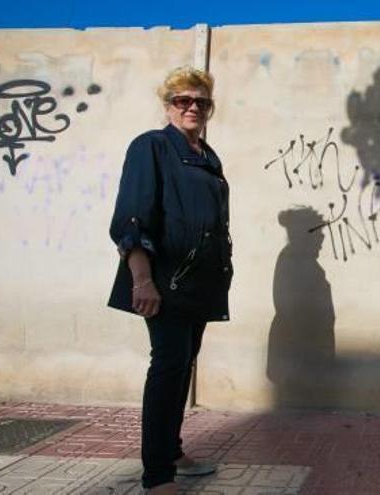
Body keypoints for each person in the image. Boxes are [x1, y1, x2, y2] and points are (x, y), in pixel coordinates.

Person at [107, 66, 232, 494]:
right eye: (183, 100)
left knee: (181, 367)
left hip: (199, 283)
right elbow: (132, 217)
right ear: (169, 106)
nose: (193, 107)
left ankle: (173, 451)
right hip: (162, 281)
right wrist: (142, 280)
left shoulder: (207, 156)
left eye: (201, 102)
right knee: (167, 367)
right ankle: (157, 475)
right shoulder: (152, 146)